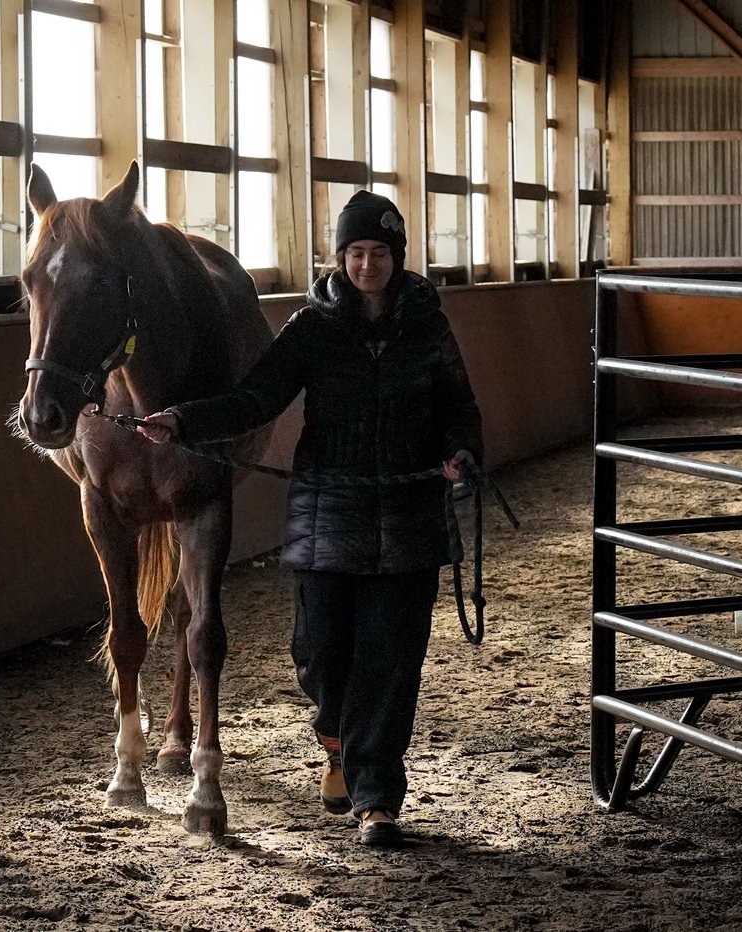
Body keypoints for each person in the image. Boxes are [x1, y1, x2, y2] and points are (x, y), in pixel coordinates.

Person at [139, 189, 483, 847]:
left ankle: (377, 799)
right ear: (341, 258)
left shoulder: (429, 329)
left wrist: (462, 451)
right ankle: (335, 739)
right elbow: (255, 398)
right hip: (328, 514)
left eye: (379, 252)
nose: (367, 265)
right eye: (355, 253)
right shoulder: (312, 329)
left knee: (391, 661)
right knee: (319, 654)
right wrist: (184, 421)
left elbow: (459, 407)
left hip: (408, 519)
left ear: (397, 256)